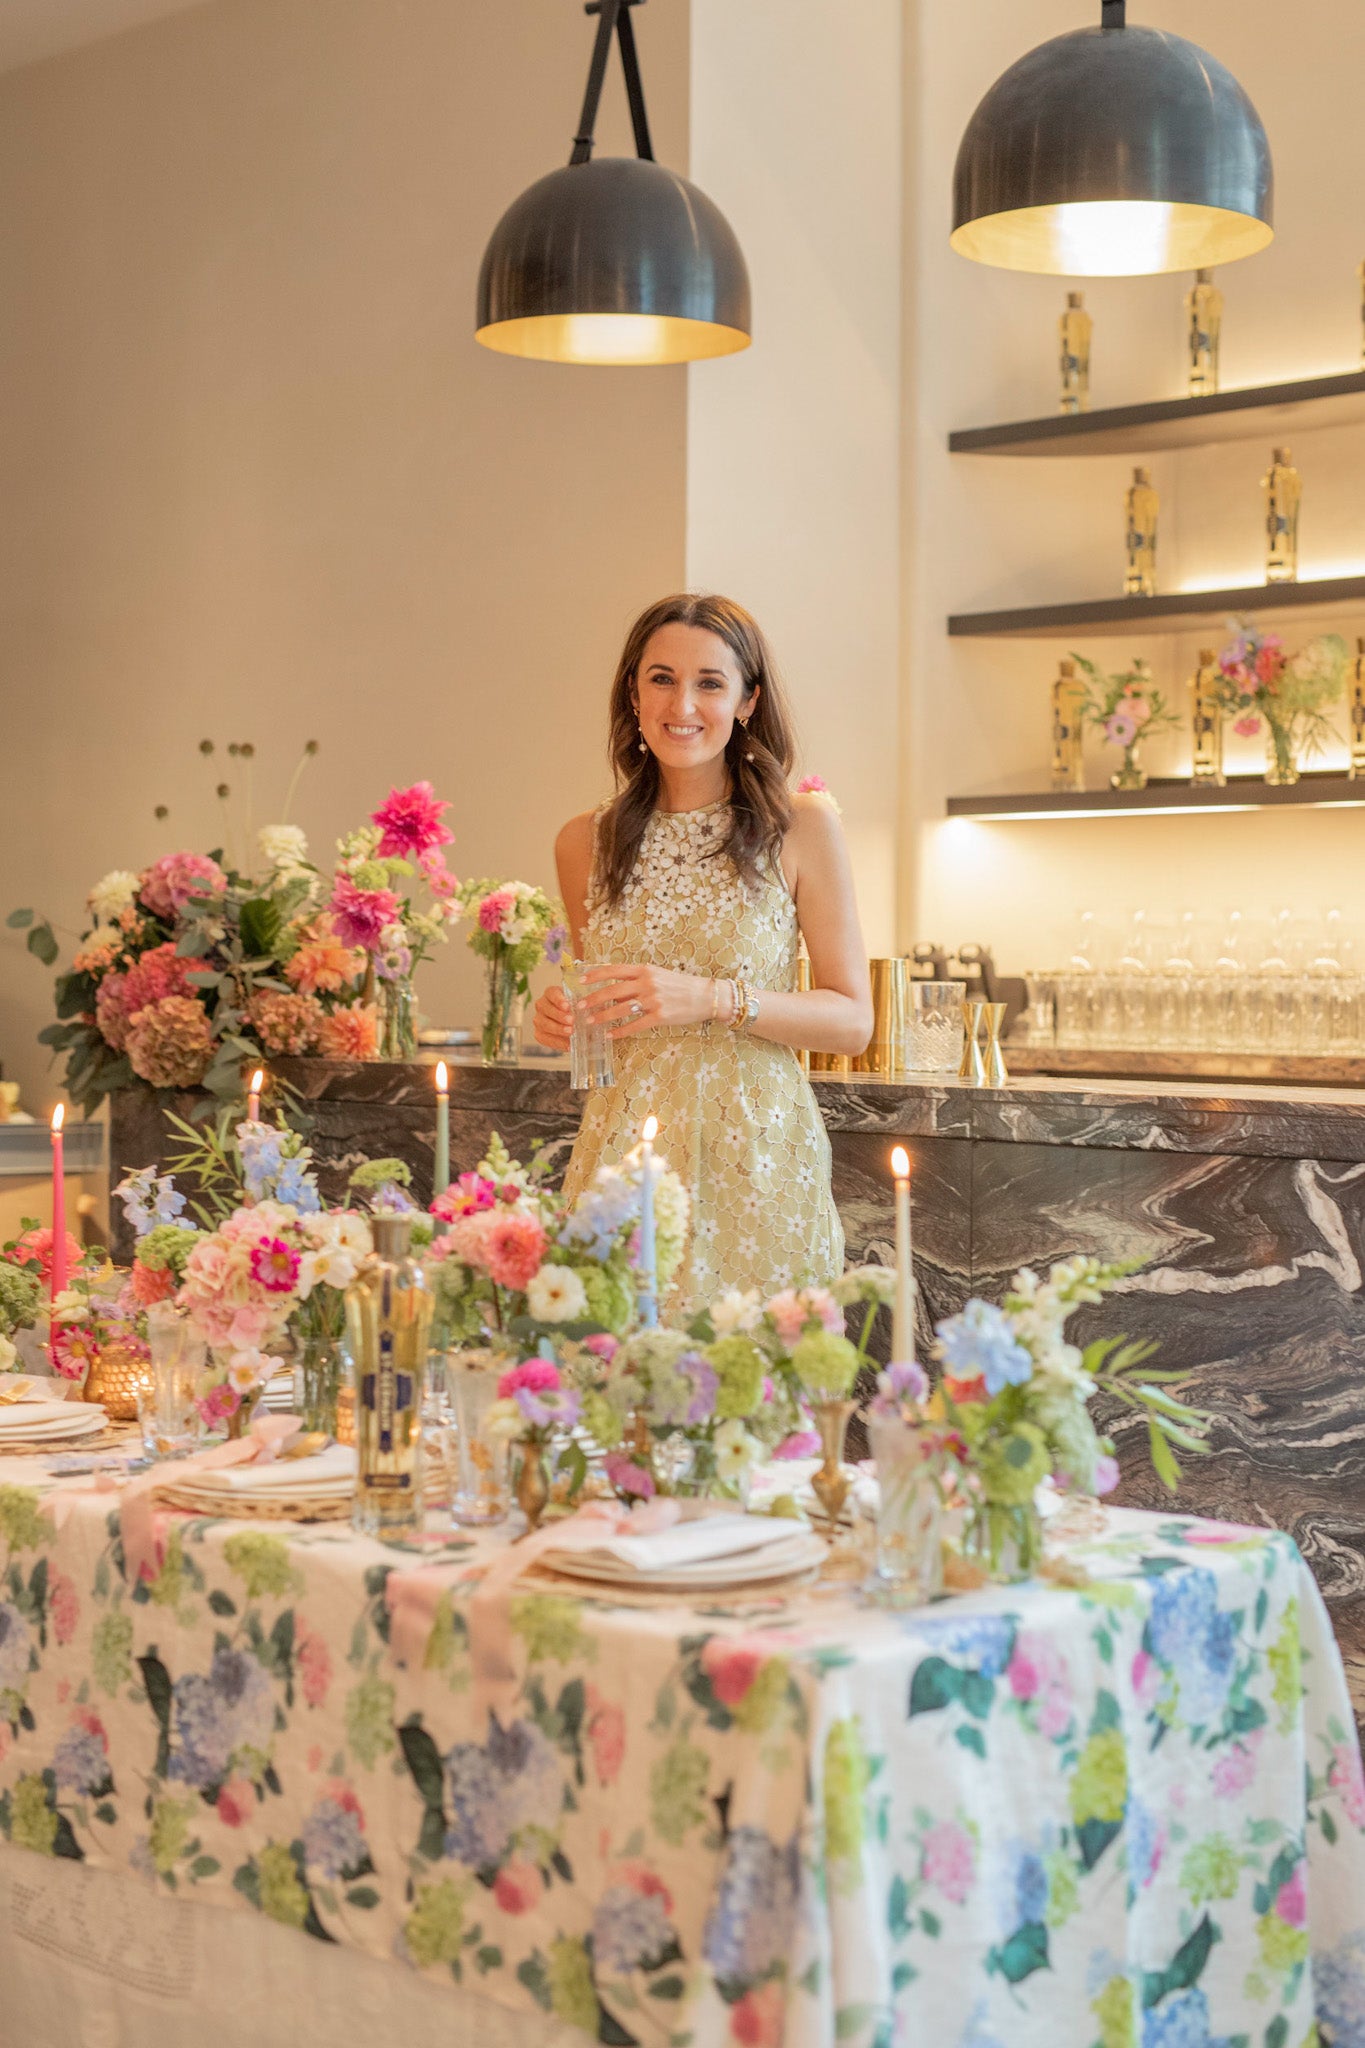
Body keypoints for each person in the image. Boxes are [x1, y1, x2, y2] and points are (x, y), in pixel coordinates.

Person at [533, 592, 872, 1317]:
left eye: (710, 683)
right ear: (632, 692)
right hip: (622, 1154)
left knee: (761, 1403)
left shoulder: (801, 825)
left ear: (747, 700)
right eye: (660, 678)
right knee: (617, 1398)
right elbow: (606, 1011)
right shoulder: (581, 842)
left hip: (758, 1156)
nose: (681, 703)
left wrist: (713, 998)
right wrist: (566, 1018)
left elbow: (851, 1021)